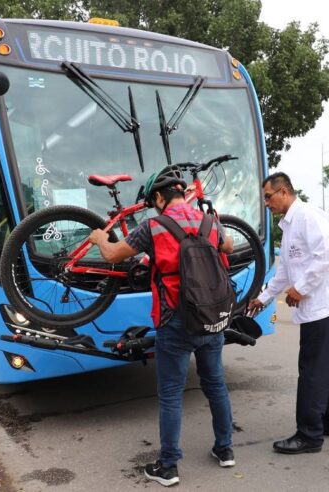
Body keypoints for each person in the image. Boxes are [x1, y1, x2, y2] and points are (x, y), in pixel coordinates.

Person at [88, 165, 235, 487]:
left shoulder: (153, 227)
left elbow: (113, 255)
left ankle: (168, 467)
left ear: (158, 196)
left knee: (170, 394)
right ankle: (225, 451)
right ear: (183, 193)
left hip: (176, 320)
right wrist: (217, 227)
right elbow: (230, 247)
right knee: (216, 385)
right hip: (212, 317)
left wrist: (101, 238)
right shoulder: (209, 221)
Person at [247, 172, 329, 455]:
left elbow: (327, 255)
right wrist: (264, 298)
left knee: (313, 371)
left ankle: (309, 434)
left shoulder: (307, 216)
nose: (266, 203)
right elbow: (285, 270)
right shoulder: (289, 224)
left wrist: (301, 288)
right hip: (321, 308)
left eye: (268, 196)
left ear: (283, 191)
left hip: (323, 307)